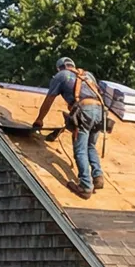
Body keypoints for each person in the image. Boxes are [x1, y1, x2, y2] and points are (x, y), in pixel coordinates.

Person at [32, 57, 110, 197]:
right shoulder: (88, 75)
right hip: (100, 111)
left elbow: (49, 100)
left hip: (85, 111)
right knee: (90, 145)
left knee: (80, 148)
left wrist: (39, 120)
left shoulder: (61, 76)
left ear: (59, 68)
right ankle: (98, 177)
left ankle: (86, 186)